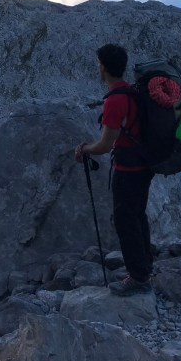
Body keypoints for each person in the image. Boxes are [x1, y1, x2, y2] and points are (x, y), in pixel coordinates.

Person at [74, 44, 154, 296]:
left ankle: (138, 278)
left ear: (104, 67)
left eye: (99, 63)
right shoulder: (133, 92)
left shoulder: (116, 101)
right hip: (145, 165)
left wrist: (85, 149)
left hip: (128, 168)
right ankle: (143, 268)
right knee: (138, 215)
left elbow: (106, 144)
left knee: (125, 220)